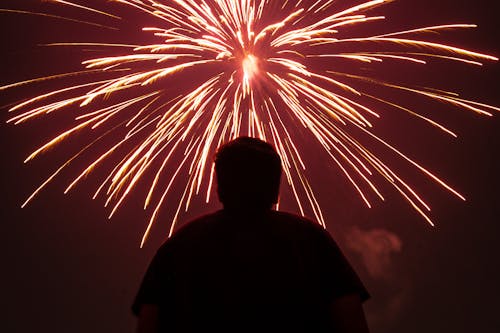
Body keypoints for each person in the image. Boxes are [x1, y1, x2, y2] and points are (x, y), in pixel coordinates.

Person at [132, 137, 370, 333]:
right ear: (275, 187)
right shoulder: (312, 240)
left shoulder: (178, 246)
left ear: (220, 186)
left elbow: (149, 321)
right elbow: (351, 320)